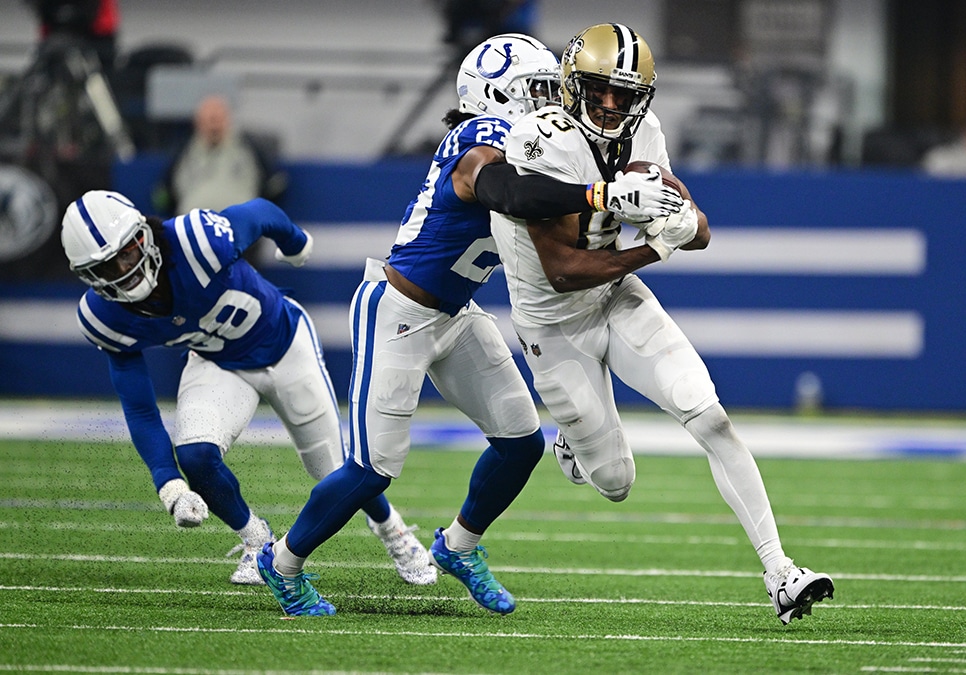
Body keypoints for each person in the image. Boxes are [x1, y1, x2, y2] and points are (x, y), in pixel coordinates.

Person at [254, 33, 683, 617]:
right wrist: (601, 191)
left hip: (456, 315)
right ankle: (281, 563)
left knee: (520, 443)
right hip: (399, 309)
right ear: (498, 95)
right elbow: (507, 190)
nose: (552, 99)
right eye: (537, 89)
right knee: (372, 469)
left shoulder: (545, 144)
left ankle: (458, 546)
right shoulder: (478, 138)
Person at [490, 22, 834, 625]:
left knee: (712, 418)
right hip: (552, 322)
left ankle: (781, 571)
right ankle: (573, 442)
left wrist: (681, 225)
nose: (611, 105)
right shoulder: (538, 139)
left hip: (617, 297)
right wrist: (651, 247)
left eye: (624, 94)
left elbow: (696, 229)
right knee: (616, 481)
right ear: (573, 84)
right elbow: (563, 271)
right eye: (600, 90)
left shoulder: (645, 132)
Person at [60, 191, 437, 587]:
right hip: (219, 362)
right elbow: (138, 408)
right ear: (88, 276)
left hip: (285, 344)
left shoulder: (195, 241)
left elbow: (259, 213)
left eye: (126, 252)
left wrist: (294, 241)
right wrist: (168, 485)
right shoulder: (104, 316)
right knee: (195, 454)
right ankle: (257, 541)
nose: (124, 270)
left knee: (333, 471)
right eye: (105, 267)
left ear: (144, 234)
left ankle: (394, 531)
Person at [154, 95, 284, 216]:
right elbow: (165, 192)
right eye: (209, 119)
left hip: (240, 227)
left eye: (218, 119)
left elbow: (274, 185)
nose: (214, 125)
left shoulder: (250, 147)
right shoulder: (183, 151)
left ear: (228, 119)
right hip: (193, 227)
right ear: (198, 122)